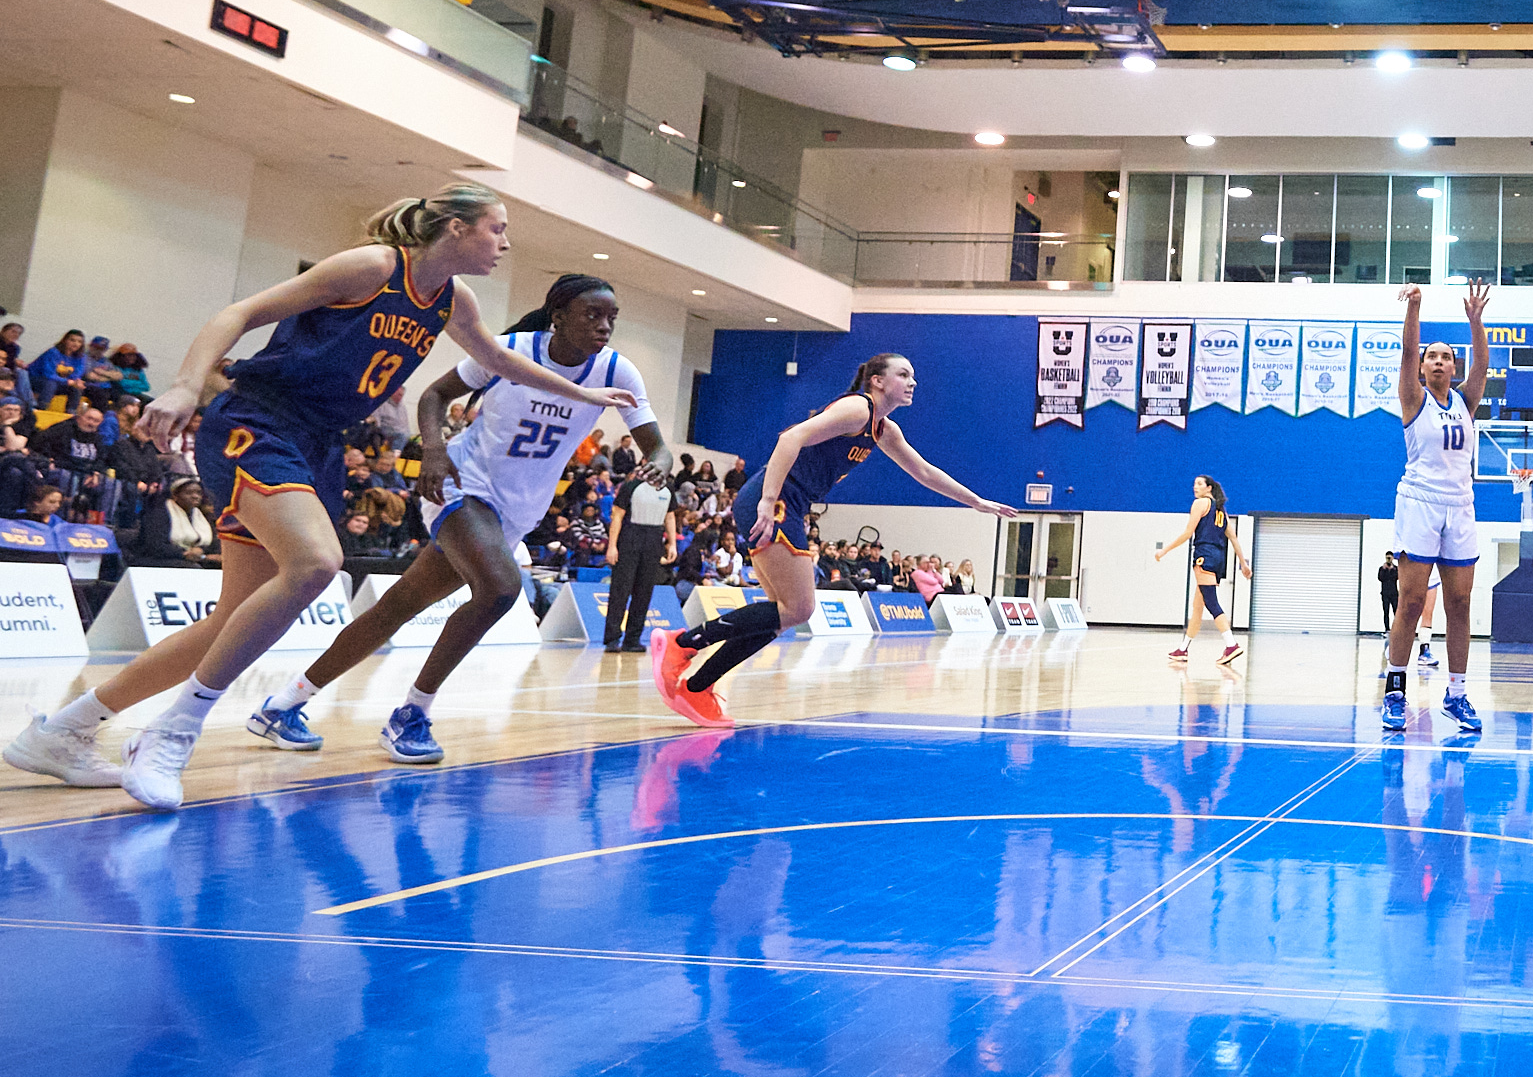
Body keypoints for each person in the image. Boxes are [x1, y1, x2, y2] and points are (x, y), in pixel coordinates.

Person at [3, 185, 635, 808]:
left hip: (320, 444)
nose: (505, 242)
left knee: (232, 622)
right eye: (496, 228)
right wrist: (184, 386)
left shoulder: (452, 298)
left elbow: (497, 358)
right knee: (316, 564)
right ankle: (173, 731)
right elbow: (239, 314)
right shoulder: (373, 266)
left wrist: (587, 396)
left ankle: (64, 731)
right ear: (455, 228)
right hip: (262, 421)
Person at [254, 274, 665, 763]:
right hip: (460, 483)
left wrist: (657, 463)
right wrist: (432, 449)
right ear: (558, 316)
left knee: (398, 606)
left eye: (611, 318)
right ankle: (412, 713)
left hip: (517, 510)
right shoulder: (507, 350)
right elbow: (432, 395)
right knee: (500, 589)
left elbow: (656, 445)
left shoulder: (617, 371)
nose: (604, 327)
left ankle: (283, 704)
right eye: (592, 315)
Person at [651, 352, 1015, 726]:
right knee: (800, 608)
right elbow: (790, 437)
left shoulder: (884, 429)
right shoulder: (858, 409)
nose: (912, 382)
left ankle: (696, 688)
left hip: (792, 503)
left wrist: (976, 502)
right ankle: (681, 646)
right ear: (876, 380)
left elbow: (923, 471)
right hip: (778, 499)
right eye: (903, 374)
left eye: (913, 376)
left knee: (781, 615)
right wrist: (767, 499)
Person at [1381, 280, 1491, 735]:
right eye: (1433, 356)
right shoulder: (1414, 399)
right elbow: (1406, 354)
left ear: (1454, 366)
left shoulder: (1466, 402)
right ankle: (1394, 690)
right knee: (1409, 602)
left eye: (1447, 356)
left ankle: (1458, 694)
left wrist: (1475, 321)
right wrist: (1415, 309)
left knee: (1460, 603)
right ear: (1424, 367)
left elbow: (1482, 365)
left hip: (1460, 504)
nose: (1440, 361)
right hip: (1420, 503)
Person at [1156, 473, 1252, 666]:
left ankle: (1231, 644)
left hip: (1204, 554)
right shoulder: (1221, 511)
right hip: (1218, 558)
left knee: (1210, 601)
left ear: (1209, 487)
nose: (1195, 487)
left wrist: (1164, 550)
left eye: (1199, 484)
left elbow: (1188, 533)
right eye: (1194, 484)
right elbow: (1233, 538)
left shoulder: (1200, 504)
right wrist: (1243, 564)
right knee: (1197, 606)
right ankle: (1183, 649)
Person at [605, 439, 677, 653]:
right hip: (630, 536)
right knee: (621, 589)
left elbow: (670, 517)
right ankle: (612, 638)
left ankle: (632, 639)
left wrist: (671, 543)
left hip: (654, 538)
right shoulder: (631, 487)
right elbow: (616, 516)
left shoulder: (668, 489)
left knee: (644, 591)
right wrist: (612, 546)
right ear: (646, 463)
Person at [132, 476, 219, 566]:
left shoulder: (203, 516)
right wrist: (184, 553)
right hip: (160, 558)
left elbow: (213, 544)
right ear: (175, 496)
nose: (195, 496)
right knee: (192, 567)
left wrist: (201, 550)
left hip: (195, 557)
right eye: (189, 493)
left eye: (199, 493)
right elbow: (156, 545)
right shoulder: (159, 513)